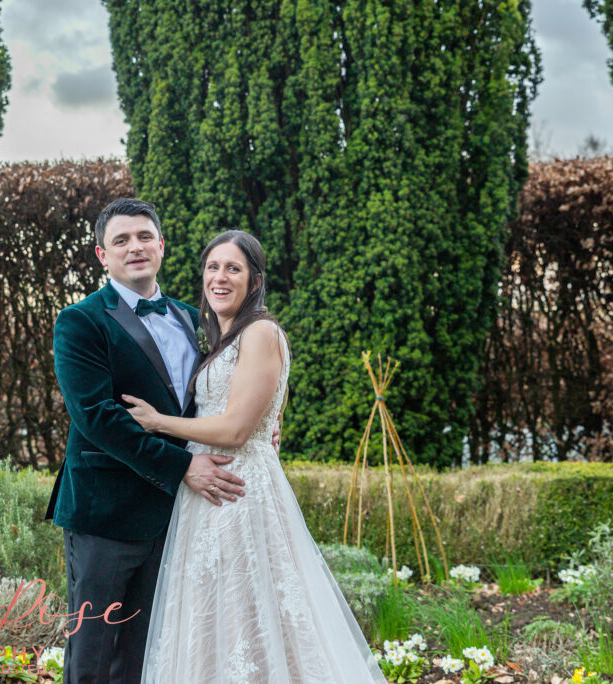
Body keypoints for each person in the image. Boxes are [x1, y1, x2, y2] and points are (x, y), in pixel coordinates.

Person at [124, 230, 387, 683]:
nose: (219, 277)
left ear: (255, 279)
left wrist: (158, 422)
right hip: (206, 495)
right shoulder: (221, 338)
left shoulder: (262, 331)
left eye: (233, 268)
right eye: (212, 266)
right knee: (215, 616)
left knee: (246, 615)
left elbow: (236, 428)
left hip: (239, 496)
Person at [44, 198, 249, 684]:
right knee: (93, 653)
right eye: (121, 240)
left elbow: (212, 398)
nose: (134, 247)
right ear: (102, 255)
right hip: (106, 513)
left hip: (178, 515)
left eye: (143, 237)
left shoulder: (191, 318)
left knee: (150, 650)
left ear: (161, 245)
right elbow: (98, 418)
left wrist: (258, 424)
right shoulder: (80, 321)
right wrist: (183, 467)